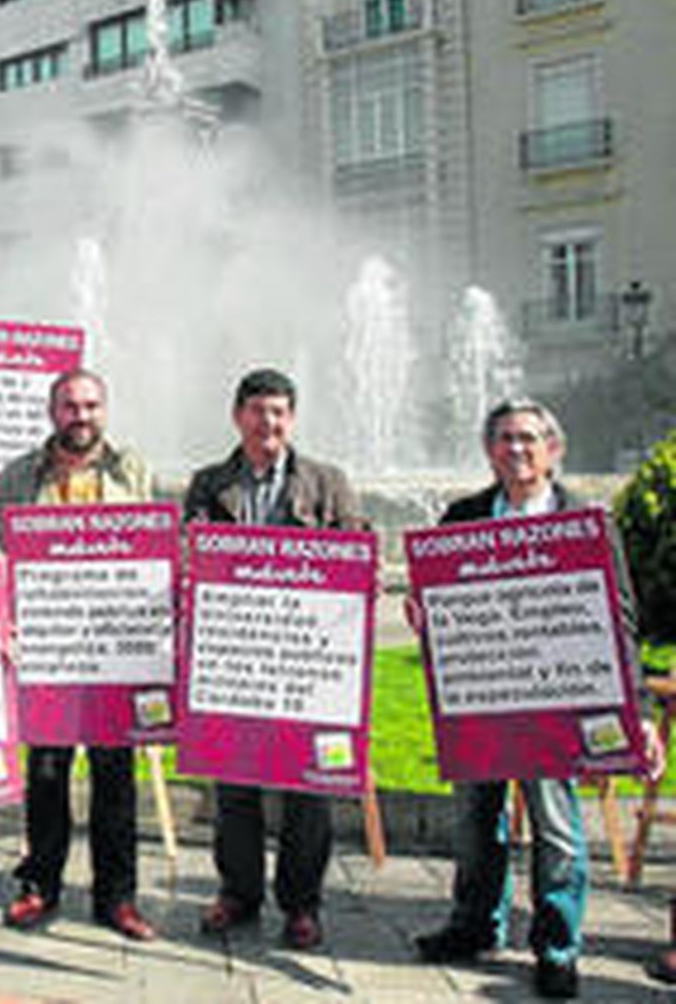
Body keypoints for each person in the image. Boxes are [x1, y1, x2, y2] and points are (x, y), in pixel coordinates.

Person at [410, 399, 636, 999]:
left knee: (558, 829)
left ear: (553, 449)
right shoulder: (461, 517)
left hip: (553, 706)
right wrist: (420, 611)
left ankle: (557, 946)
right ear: (489, 450)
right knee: (475, 825)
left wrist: (630, 710)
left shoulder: (584, 521)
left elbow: (620, 623)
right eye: (505, 439)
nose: (517, 449)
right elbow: (433, 601)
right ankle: (475, 926)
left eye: (529, 439)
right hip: (480, 699)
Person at [185, 367, 365, 950]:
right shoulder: (209, 484)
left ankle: (301, 904)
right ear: (238, 416)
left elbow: (356, 556)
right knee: (233, 784)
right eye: (259, 411)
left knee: (306, 790)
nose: (270, 423)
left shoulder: (327, 482)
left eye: (280, 412)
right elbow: (192, 556)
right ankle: (238, 892)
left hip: (306, 662)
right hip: (236, 659)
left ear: (292, 419)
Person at [0, 369, 157, 941]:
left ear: (104, 410)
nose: (80, 416)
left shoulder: (132, 469)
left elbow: (148, 550)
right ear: (51, 412)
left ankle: (118, 898)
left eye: (90, 405)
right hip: (49, 647)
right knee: (47, 773)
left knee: (116, 777)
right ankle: (40, 886)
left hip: (112, 649)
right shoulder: (18, 475)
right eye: (69, 406)